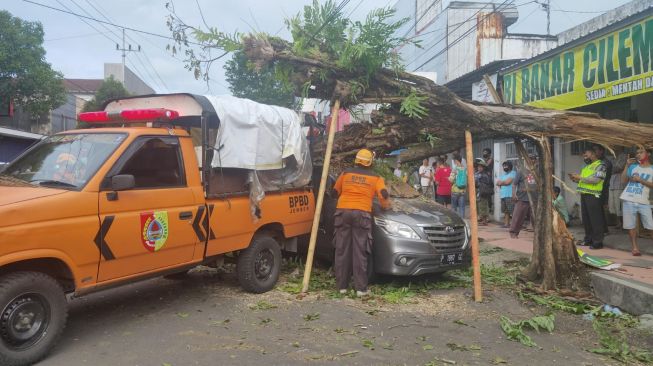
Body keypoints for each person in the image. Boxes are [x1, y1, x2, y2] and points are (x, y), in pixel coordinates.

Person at [333, 149, 390, 297]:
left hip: (343, 211)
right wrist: (385, 207)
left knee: (342, 249)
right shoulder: (376, 178)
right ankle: (360, 289)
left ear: (356, 160)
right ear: (370, 162)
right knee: (360, 251)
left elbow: (335, 191)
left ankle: (341, 287)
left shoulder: (345, 174)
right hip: (362, 214)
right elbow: (383, 195)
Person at [569, 147, 607, 249]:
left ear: (593, 154)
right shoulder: (586, 167)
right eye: (584, 156)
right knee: (586, 220)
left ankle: (598, 242)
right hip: (585, 194)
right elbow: (584, 180)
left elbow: (596, 180)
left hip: (594, 195)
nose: (584, 157)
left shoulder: (601, 165)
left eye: (586, 155)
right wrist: (575, 179)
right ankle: (588, 239)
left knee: (595, 220)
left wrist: (580, 177)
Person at [619, 148, 653, 256]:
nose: (638, 155)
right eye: (637, 153)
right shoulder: (633, 167)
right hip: (628, 199)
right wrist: (627, 165)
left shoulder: (652, 169)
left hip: (643, 201)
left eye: (641, 152)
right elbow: (623, 181)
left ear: (648, 153)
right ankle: (634, 248)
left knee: (650, 226)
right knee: (630, 226)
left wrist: (640, 180)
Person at [509, 155, 538, 238]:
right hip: (522, 198)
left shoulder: (537, 171)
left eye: (533, 159)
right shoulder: (521, 171)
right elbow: (514, 184)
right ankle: (513, 233)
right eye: (530, 159)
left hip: (535, 198)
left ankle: (538, 234)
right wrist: (513, 194)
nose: (532, 161)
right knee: (518, 216)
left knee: (536, 217)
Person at [593, 145, 613, 234]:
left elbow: (600, 178)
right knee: (599, 210)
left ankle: (604, 230)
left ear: (601, 151)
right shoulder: (598, 161)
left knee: (601, 209)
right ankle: (603, 229)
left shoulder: (605, 162)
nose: (594, 152)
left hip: (602, 188)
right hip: (598, 188)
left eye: (595, 150)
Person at [609, 150, 628, 229]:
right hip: (611, 183)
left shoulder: (624, 155)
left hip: (620, 184)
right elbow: (610, 169)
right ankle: (619, 223)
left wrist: (611, 169)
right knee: (612, 205)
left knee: (620, 204)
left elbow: (619, 167)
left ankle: (624, 223)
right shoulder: (611, 156)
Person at [496, 161, 516, 228]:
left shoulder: (513, 173)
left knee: (513, 211)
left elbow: (508, 182)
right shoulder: (503, 175)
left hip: (510, 195)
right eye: (504, 166)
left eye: (506, 166)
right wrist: (503, 182)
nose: (504, 167)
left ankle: (514, 225)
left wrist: (502, 183)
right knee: (506, 211)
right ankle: (506, 224)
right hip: (503, 195)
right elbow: (497, 183)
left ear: (510, 166)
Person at [474, 158, 493, 225]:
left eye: (480, 167)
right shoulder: (477, 174)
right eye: (478, 167)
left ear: (483, 168)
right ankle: (482, 219)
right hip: (478, 192)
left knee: (483, 206)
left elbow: (485, 183)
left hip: (483, 192)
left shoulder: (485, 175)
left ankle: (484, 221)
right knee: (479, 206)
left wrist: (477, 182)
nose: (479, 168)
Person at [449, 152, 467, 218]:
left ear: (456, 160)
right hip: (463, 191)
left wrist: (450, 178)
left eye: (454, 160)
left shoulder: (455, 169)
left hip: (455, 191)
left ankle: (455, 221)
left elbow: (451, 179)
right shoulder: (465, 168)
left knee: (454, 208)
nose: (454, 162)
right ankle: (463, 222)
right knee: (462, 208)